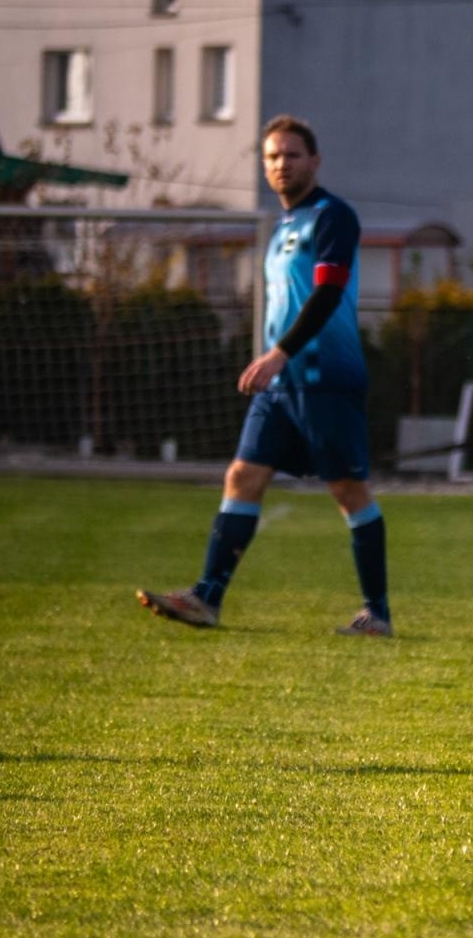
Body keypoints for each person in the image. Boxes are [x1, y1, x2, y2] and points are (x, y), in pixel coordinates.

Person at [138, 115, 393, 636]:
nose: (282, 164)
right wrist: (276, 362)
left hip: (325, 378)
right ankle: (207, 596)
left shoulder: (333, 216)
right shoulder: (278, 229)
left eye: (292, 155)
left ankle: (377, 613)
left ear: (314, 161)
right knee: (243, 476)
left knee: (348, 492)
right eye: (273, 157)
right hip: (280, 386)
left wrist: (279, 351)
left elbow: (326, 294)